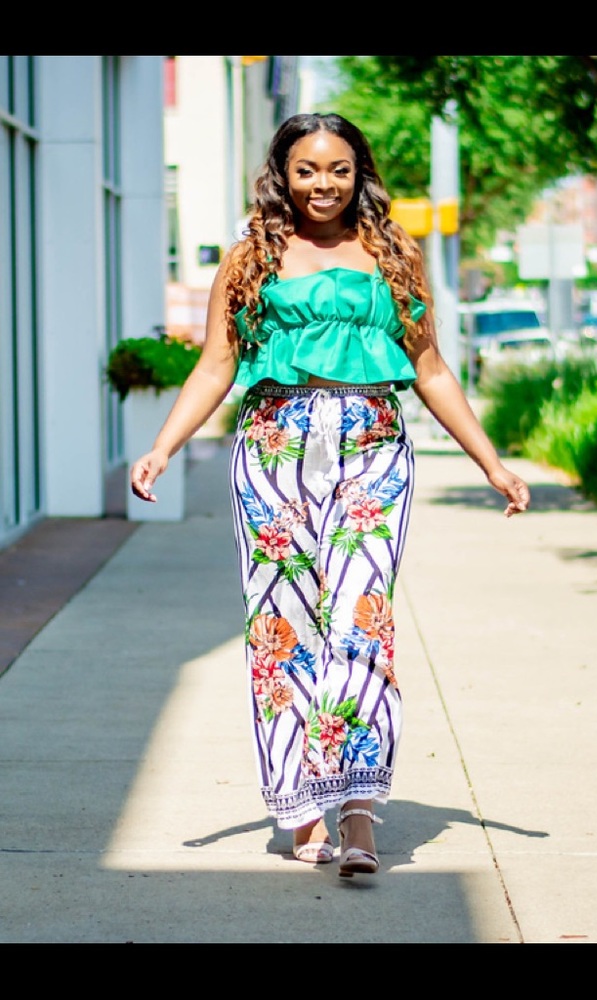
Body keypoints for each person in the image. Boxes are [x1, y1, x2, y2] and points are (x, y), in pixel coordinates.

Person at [129, 112, 531, 878]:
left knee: (359, 622)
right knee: (282, 629)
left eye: (339, 170)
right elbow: (216, 365)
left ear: (360, 173)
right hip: (274, 443)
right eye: (307, 170)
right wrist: (164, 445)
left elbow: (432, 368)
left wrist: (492, 463)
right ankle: (302, 808)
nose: (323, 185)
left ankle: (359, 813)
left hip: (372, 439)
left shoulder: (393, 254)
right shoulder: (251, 259)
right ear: (282, 173)